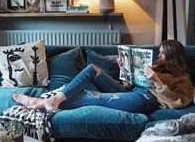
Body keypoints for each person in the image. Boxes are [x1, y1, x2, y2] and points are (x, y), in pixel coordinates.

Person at [13, 39, 194, 114]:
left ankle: (39, 103)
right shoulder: (156, 66)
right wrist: (126, 71)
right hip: (131, 90)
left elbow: (177, 103)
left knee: (91, 97)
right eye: (159, 53)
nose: (159, 56)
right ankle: (54, 99)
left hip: (145, 99)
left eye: (162, 54)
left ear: (172, 57)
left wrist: (158, 82)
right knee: (92, 68)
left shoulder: (183, 78)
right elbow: (129, 85)